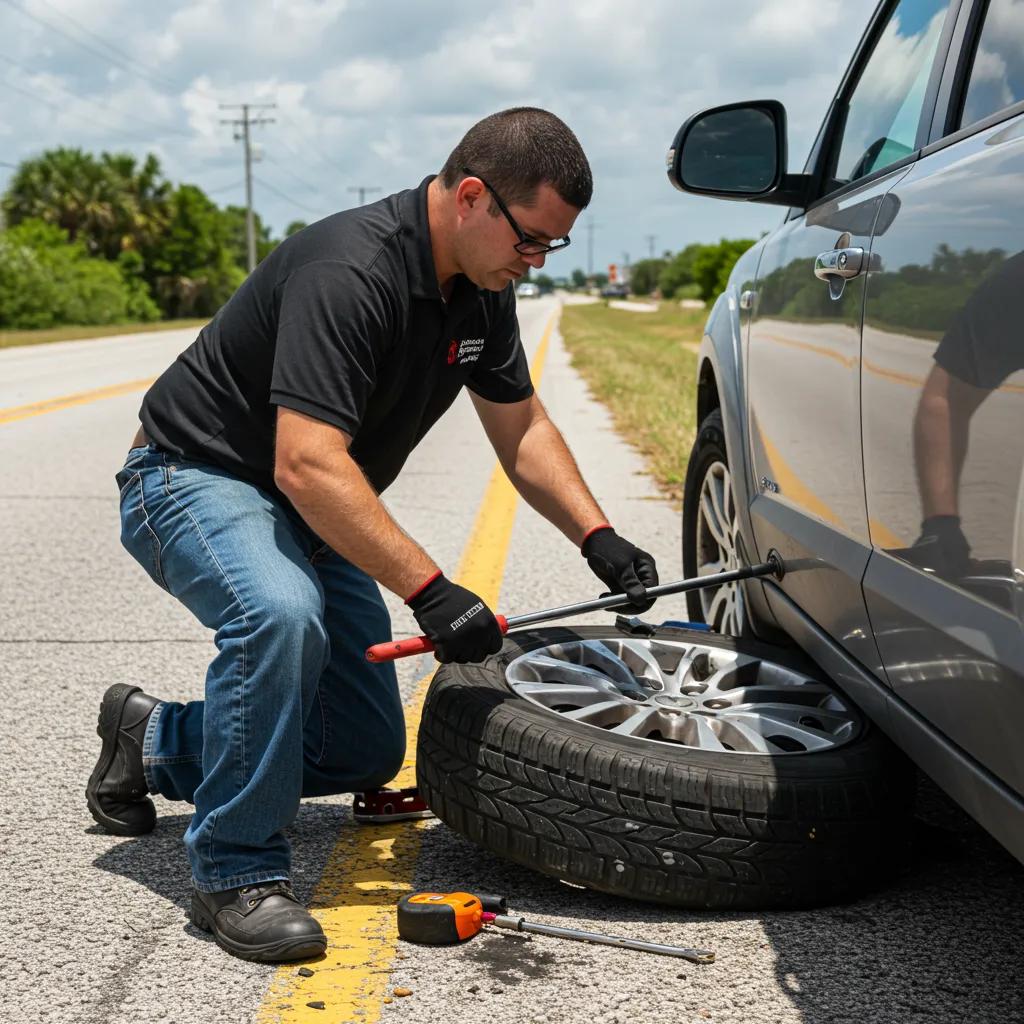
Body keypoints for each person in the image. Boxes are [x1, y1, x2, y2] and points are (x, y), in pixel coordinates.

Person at [86, 107, 659, 964]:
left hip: (306, 503)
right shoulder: (350, 270)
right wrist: (431, 591)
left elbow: (523, 427)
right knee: (280, 615)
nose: (535, 262)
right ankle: (234, 870)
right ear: (472, 196)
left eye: (553, 248)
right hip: (190, 477)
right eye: (532, 240)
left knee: (360, 745)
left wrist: (598, 535)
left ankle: (150, 736)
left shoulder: (483, 290)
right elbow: (307, 464)